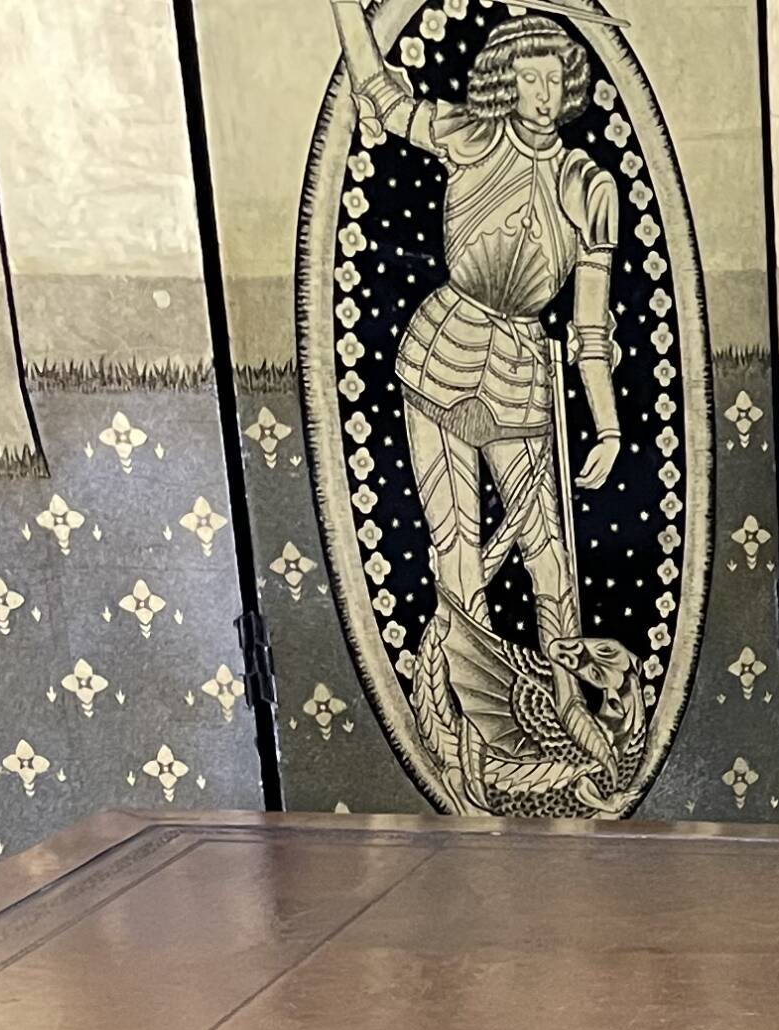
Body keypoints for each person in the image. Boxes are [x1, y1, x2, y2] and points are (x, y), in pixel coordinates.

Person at [330, 4, 624, 755]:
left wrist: (609, 423)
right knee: (455, 543)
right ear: (505, 81)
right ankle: (474, 724)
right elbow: (382, 97)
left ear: (570, 85)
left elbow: (592, 328)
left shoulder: (591, 185)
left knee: (546, 547)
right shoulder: (474, 135)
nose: (542, 90)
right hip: (441, 350)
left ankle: (566, 700)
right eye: (528, 75)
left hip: (523, 367)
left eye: (554, 75)